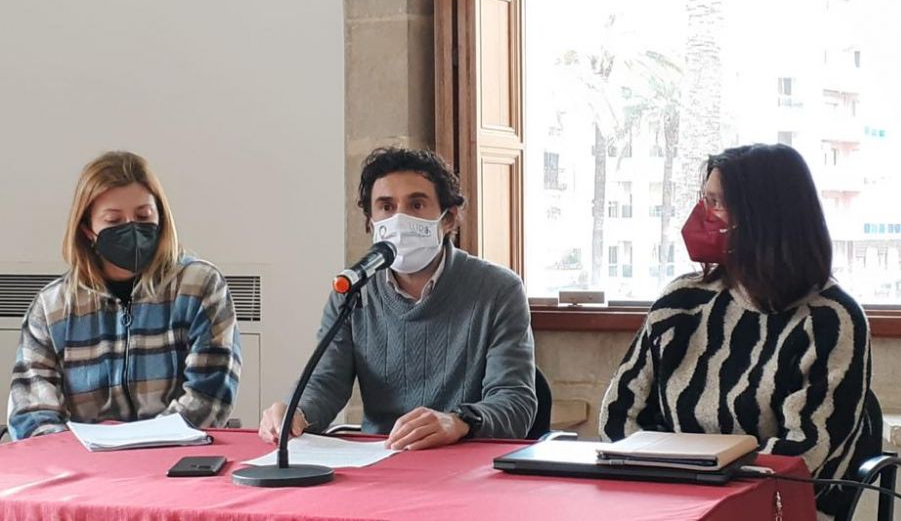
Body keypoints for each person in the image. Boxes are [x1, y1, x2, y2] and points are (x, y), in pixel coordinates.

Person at [600, 144, 877, 519]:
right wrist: (663, 489)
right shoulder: (680, 301)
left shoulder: (830, 319)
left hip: (776, 507)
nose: (704, 215)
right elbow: (618, 414)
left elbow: (806, 453)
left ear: (764, 216)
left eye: (717, 203)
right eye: (705, 199)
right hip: (668, 502)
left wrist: (708, 490)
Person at [259, 147, 536, 451]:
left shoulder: (498, 290)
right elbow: (326, 382)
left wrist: (459, 421)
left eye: (416, 204)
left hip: (465, 457)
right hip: (381, 456)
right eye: (386, 207)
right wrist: (296, 412)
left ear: (449, 219)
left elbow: (515, 401)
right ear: (370, 222)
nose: (400, 219)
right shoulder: (353, 289)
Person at [7, 151, 241, 440]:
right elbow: (31, 411)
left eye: (143, 216)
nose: (131, 228)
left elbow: (209, 397)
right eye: (114, 221)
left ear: (161, 216)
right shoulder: (51, 308)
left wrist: (144, 445)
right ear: (88, 230)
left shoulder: (200, 286)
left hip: (177, 454)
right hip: (81, 461)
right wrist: (78, 453)